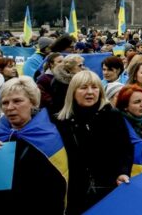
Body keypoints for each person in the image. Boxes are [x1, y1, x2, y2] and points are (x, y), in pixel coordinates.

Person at [0, 77, 67, 214]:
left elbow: (59, 180)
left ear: (33, 103)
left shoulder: (51, 133)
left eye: (17, 101)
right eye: (5, 103)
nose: (10, 107)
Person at [54, 71, 131, 214]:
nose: (90, 92)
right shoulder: (60, 121)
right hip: (75, 193)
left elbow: (125, 149)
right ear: (73, 91)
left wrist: (122, 172)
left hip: (109, 188)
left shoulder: (113, 116)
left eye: (95, 87)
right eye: (83, 87)